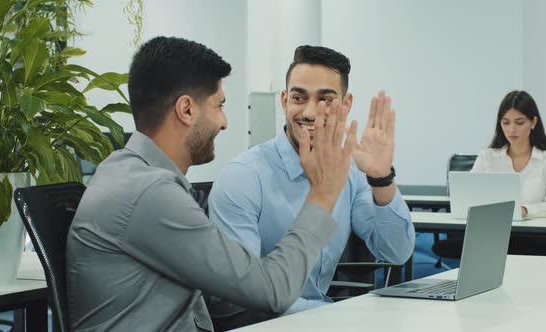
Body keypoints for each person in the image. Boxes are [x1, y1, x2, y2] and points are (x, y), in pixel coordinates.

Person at [66, 37, 359, 331]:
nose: (225, 122)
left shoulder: (132, 175)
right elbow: (273, 291)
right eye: (219, 105)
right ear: (187, 110)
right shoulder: (149, 194)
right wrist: (323, 193)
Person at [209, 45, 415, 317]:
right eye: (298, 97)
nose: (309, 112)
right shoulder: (243, 176)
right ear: (284, 100)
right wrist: (334, 316)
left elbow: (395, 252)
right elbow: (238, 294)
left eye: (326, 100)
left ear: (347, 104)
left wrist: (381, 178)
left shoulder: (351, 170)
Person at [472, 90, 546, 255]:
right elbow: (469, 196)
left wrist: (524, 211)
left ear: (533, 122)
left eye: (519, 122)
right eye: (506, 122)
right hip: (494, 235)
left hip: (538, 237)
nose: (512, 129)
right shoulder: (487, 157)